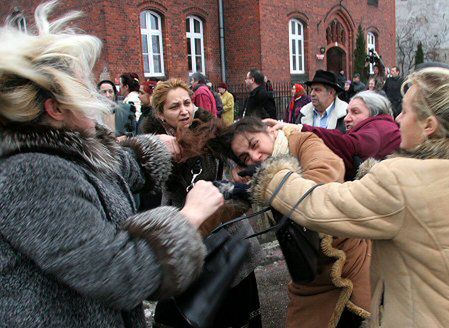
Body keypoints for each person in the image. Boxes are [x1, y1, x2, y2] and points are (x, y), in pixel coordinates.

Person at [0, 3, 225, 327]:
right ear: (55, 108)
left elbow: (108, 169)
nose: (96, 98)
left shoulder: (60, 154)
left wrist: (155, 151)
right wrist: (188, 218)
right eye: (84, 90)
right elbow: (118, 273)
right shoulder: (33, 174)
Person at [249, 66, 449, 327]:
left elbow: (320, 206)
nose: (398, 119)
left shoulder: (403, 180)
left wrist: (271, 178)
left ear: (429, 126)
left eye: (406, 111)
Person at [209, 117, 371, 328]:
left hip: (352, 260)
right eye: (245, 157)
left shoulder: (303, 142)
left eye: (255, 144)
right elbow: (225, 213)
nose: (255, 157)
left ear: (270, 131)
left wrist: (262, 188)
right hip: (310, 274)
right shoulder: (259, 176)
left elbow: (325, 175)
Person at [142, 79, 263, 328]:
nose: (184, 110)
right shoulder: (153, 149)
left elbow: (244, 162)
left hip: (228, 240)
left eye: (187, 103)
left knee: (234, 314)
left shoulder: (213, 132)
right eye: (174, 107)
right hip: (188, 240)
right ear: (161, 114)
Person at [266, 91, 400, 181]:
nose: (347, 118)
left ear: (375, 114)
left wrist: (296, 129)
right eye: (347, 112)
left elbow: (345, 144)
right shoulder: (380, 126)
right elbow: (340, 136)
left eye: (355, 112)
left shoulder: (377, 128)